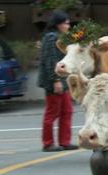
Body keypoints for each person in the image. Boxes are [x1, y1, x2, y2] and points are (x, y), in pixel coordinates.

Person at [38, 10, 78, 152]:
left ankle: (65, 142)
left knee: (67, 111)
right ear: (59, 24)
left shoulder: (62, 37)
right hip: (53, 80)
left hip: (62, 79)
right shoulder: (51, 38)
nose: (68, 26)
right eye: (66, 23)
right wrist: (55, 80)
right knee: (52, 112)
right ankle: (48, 143)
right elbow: (50, 61)